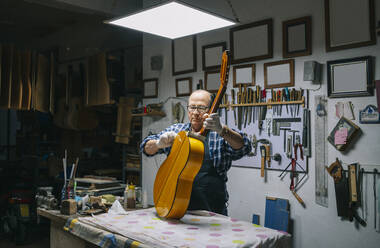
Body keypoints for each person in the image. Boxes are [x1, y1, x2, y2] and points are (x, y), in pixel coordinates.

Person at [140, 90, 251, 215]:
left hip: (212, 211)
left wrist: (222, 130)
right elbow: (145, 147)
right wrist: (157, 144)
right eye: (192, 107)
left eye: (201, 108)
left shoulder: (220, 135)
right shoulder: (177, 130)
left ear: (211, 110)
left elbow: (245, 147)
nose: (195, 113)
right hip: (175, 206)